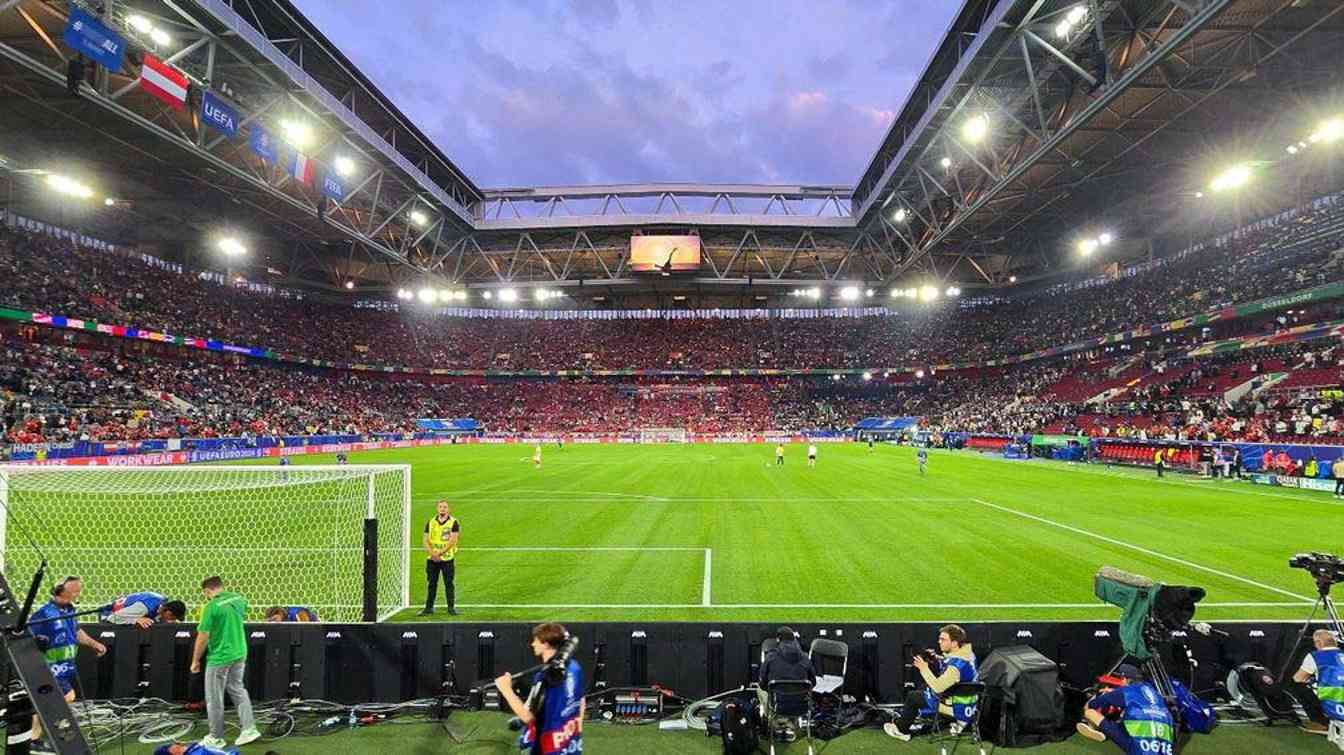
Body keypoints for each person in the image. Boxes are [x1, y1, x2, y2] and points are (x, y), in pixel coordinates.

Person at [30, 577, 107, 746]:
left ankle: (36, 737)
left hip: (63, 667)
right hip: (50, 666)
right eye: (76, 590)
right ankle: (46, 734)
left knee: (50, 699)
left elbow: (76, 631)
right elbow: (28, 637)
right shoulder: (44, 613)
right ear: (67, 593)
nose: (79, 593)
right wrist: (38, 640)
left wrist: (94, 644)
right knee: (62, 697)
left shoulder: (69, 611)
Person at [191, 576, 260, 749]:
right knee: (238, 689)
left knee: (214, 698)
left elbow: (203, 636)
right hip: (240, 652)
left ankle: (216, 737)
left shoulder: (211, 607)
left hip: (220, 657)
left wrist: (195, 660)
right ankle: (249, 729)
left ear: (207, 591)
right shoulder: (238, 599)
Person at [495, 623, 584, 755]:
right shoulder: (575, 667)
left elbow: (527, 717)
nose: (532, 644)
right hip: (571, 745)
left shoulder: (544, 677)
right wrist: (576, 727)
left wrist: (506, 689)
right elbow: (581, 701)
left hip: (549, 748)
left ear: (546, 644)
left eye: (536, 641)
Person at [884, 624, 977, 741]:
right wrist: (937, 658)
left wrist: (924, 668)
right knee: (925, 688)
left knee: (913, 696)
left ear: (954, 643)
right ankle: (914, 718)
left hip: (955, 708)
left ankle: (901, 730)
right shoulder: (968, 654)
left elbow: (938, 687)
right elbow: (953, 662)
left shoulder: (956, 667)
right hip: (968, 705)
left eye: (943, 639)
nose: (939, 642)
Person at [1075, 664, 1175, 755]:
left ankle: (1093, 727)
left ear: (1124, 679)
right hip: (1165, 748)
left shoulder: (1125, 691)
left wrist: (1102, 696)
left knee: (1089, 712)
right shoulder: (1154, 692)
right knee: (1133, 715)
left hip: (1139, 748)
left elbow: (1095, 704)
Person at [1289, 628, 1343, 735]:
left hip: (1333, 705)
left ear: (1319, 643)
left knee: (1295, 685)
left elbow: (1298, 678)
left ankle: (1320, 721)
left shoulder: (1315, 656)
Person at [758, 627, 817, 717]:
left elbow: (762, 684)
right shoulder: (805, 657)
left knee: (759, 689)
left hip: (778, 706)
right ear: (794, 639)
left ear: (778, 640)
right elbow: (813, 682)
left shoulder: (770, 657)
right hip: (802, 707)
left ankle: (772, 721)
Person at [420, 499, 460, 616]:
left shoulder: (453, 522)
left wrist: (440, 553)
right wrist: (432, 554)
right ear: (437, 508)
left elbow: (453, 540)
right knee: (432, 583)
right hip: (432, 559)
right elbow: (425, 539)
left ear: (449, 509)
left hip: (447, 558)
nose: (442, 509)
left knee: (449, 583)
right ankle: (428, 608)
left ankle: (451, 608)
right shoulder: (431, 522)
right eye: (441, 507)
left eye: (445, 507)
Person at [100, 592, 187, 628]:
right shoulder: (143, 608)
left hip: (123, 613)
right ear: (168, 612)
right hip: (108, 616)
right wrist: (135, 620)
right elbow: (112, 618)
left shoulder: (162, 603)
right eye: (173, 618)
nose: (173, 621)